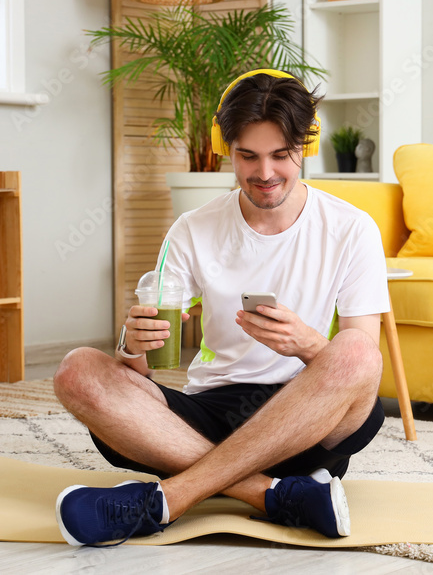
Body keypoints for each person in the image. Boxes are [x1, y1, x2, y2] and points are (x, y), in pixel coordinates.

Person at [52, 69, 390, 546]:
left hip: (307, 417)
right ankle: (273, 496)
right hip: (208, 414)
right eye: (248, 156)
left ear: (305, 148)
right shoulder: (193, 229)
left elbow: (364, 365)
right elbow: (138, 370)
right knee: (77, 371)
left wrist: (309, 344)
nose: (265, 173)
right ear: (225, 149)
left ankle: (169, 499)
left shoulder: (352, 228)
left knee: (357, 354)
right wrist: (132, 346)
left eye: (281, 156)